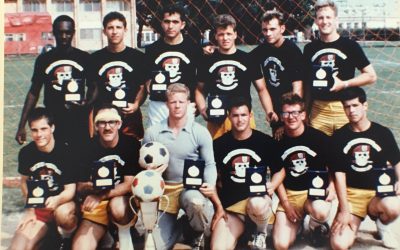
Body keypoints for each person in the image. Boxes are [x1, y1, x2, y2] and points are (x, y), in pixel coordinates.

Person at [142, 83, 217, 249]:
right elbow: (143, 166)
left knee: (196, 202)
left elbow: (210, 164)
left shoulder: (199, 132)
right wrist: (150, 173)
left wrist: (209, 184)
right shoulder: (153, 133)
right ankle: (182, 228)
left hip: (189, 189)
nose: (177, 105)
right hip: (164, 192)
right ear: (167, 104)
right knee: (156, 247)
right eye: (173, 101)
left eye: (181, 102)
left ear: (189, 103)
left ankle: (196, 233)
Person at [330, 87, 400, 250]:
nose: (351, 110)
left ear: (365, 106)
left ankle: (383, 227)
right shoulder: (339, 137)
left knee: (393, 206)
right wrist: (344, 209)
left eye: (355, 105)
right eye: (347, 107)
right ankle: (352, 225)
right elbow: (339, 175)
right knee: (338, 244)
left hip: (378, 194)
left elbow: (397, 161)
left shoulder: (382, 133)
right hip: (352, 195)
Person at [211, 97, 284, 249]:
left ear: (250, 116)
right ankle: (244, 232)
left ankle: (261, 232)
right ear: (229, 116)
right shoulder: (218, 144)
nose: (240, 119)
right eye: (235, 115)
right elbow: (212, 177)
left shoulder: (264, 142)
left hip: (258, 203)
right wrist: (218, 206)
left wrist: (272, 186)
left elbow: (280, 170)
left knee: (256, 203)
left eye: (243, 115)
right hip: (232, 209)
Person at [15, 15, 95, 149]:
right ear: (54, 33)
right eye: (60, 32)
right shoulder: (44, 60)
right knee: (55, 161)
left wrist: (88, 103)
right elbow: (34, 93)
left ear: (73, 33)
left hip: (78, 119)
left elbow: (94, 86)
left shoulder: (84, 58)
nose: (64, 36)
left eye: (67, 32)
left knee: (79, 159)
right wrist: (21, 126)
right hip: (53, 120)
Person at [196, 14, 277, 139]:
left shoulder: (248, 59)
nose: (225, 38)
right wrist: (202, 108)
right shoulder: (207, 60)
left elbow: (261, 89)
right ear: (216, 36)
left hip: (243, 116)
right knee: (217, 154)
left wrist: (269, 111)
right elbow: (200, 89)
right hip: (217, 119)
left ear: (235, 34)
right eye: (221, 34)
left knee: (246, 154)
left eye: (228, 34)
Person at [72, 104, 141, 250]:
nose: (107, 127)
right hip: (97, 206)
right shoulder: (86, 147)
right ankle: (105, 233)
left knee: (117, 207)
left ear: (119, 124)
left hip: (120, 203)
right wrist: (92, 187)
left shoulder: (130, 144)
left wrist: (100, 195)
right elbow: (80, 186)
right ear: (96, 126)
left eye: (112, 122)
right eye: (102, 122)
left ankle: (122, 232)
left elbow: (129, 184)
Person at [303, 0, 377, 136]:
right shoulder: (309, 49)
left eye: (328, 17)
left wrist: (344, 84)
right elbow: (308, 85)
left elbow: (371, 76)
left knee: (344, 153)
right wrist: (305, 112)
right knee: (320, 152)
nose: (325, 21)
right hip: (318, 110)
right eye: (321, 18)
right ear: (316, 21)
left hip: (344, 108)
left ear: (336, 19)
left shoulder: (350, 46)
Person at [273, 93, 335, 249]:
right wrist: (286, 204)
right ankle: (298, 226)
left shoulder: (319, 138)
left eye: (295, 113)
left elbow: (333, 168)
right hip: (290, 195)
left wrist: (332, 188)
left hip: (313, 195)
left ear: (303, 115)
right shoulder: (276, 141)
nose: (291, 117)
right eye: (286, 113)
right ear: (281, 116)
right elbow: (277, 175)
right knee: (281, 244)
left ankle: (315, 226)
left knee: (320, 210)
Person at [10, 107, 77, 250]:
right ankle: (51, 236)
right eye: (34, 130)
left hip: (61, 205)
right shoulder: (26, 153)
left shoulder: (66, 151)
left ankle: (67, 237)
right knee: (18, 247)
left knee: (63, 215)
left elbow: (70, 190)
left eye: (43, 129)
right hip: (40, 209)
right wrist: (30, 210)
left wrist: (57, 200)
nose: (39, 134)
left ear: (52, 128)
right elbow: (24, 182)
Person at [90, 11, 148, 140]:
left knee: (132, 152)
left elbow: (142, 86)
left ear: (125, 30)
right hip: (105, 117)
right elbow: (93, 89)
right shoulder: (95, 59)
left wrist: (137, 104)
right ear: (104, 31)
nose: (114, 31)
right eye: (110, 28)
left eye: (118, 27)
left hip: (129, 117)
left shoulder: (138, 57)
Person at [145, 4, 203, 126]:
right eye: (167, 21)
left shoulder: (194, 49)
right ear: (161, 23)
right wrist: (149, 85)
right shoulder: (152, 49)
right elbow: (147, 79)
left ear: (182, 24)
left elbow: (201, 82)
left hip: (183, 103)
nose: (170, 26)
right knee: (156, 143)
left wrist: (196, 103)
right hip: (159, 104)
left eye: (175, 22)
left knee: (184, 143)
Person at [250, 10, 304, 139]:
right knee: (279, 147)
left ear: (282, 28)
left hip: (292, 109)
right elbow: (243, 59)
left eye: (272, 29)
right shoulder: (262, 49)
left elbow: (298, 88)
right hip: (274, 109)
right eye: (265, 30)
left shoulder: (292, 51)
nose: (268, 34)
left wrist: (287, 119)